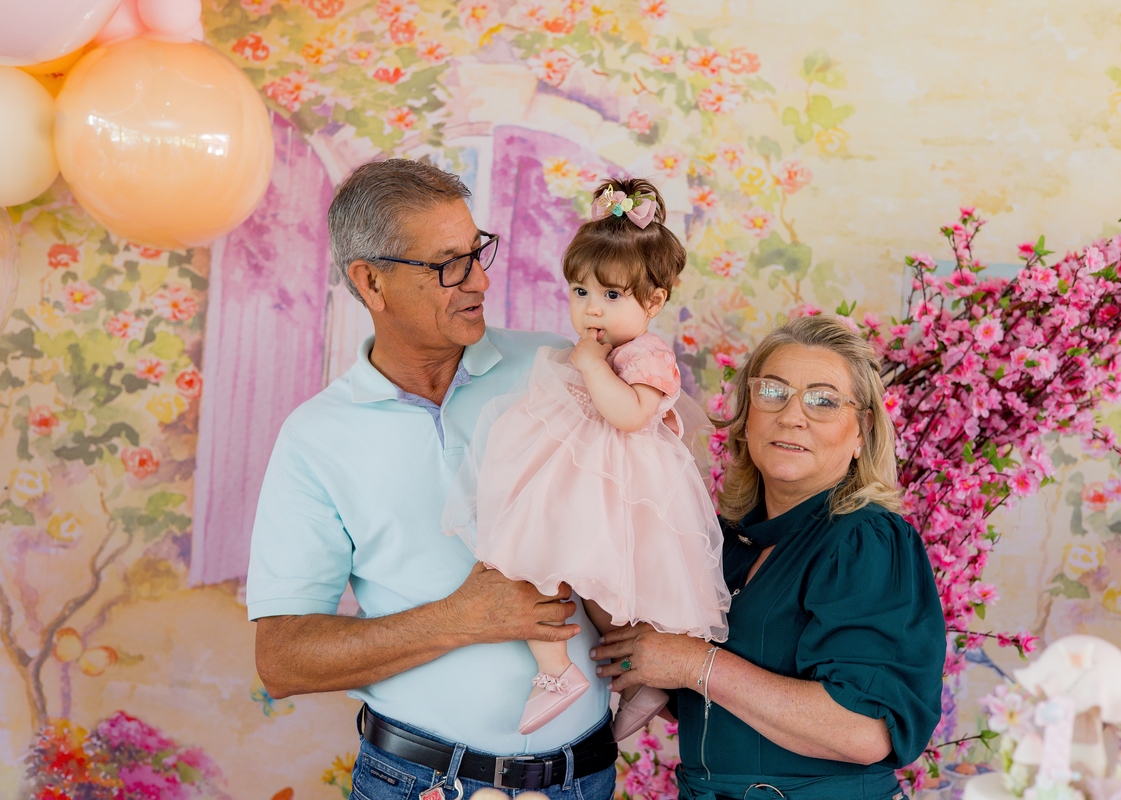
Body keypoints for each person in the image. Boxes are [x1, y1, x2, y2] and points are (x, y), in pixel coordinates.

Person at [247, 159, 617, 800]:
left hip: (584, 779)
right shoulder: (314, 438)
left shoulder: (561, 369)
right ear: (371, 282)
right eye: (449, 264)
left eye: (478, 252)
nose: (479, 280)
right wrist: (462, 618)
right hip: (419, 783)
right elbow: (282, 659)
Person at [591, 315, 947, 800]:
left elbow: (863, 730)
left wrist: (694, 663)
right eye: (773, 392)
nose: (792, 416)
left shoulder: (865, 541)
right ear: (747, 417)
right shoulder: (722, 541)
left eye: (823, 400)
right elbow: (691, 697)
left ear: (862, 431)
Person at [443, 178, 729, 739]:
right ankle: (559, 670)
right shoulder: (599, 347)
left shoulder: (646, 354)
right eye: (580, 292)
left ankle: (630, 677)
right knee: (535, 560)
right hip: (583, 479)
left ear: (654, 302)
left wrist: (592, 365)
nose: (591, 308)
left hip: (624, 487)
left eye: (612, 296)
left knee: (601, 587)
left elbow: (630, 414)